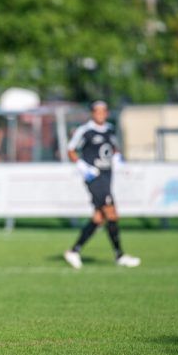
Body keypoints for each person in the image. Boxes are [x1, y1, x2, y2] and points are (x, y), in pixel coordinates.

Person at [64, 101, 140, 269]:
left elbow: (113, 150)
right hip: (94, 178)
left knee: (99, 217)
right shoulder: (85, 131)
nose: (101, 114)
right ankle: (119, 255)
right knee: (112, 213)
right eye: (98, 111)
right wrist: (83, 166)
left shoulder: (110, 130)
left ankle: (74, 251)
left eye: (104, 111)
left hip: (107, 176)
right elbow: (71, 150)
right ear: (92, 113)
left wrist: (119, 161)